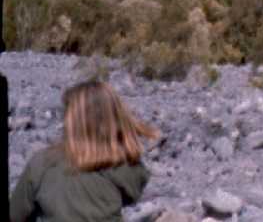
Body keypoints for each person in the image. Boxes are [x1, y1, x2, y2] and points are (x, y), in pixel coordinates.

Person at [9, 80, 158, 222]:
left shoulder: (43, 163)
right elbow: (133, 194)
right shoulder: (127, 165)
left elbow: (15, 215)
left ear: (70, 120)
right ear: (115, 119)